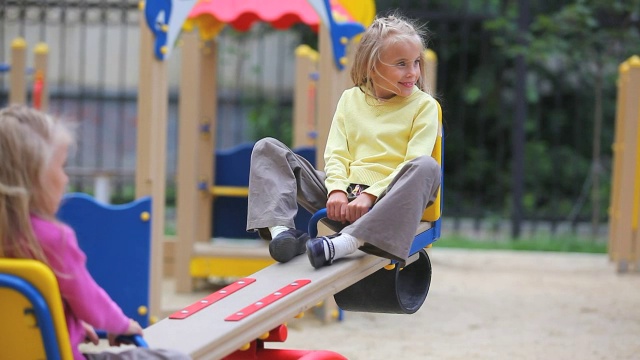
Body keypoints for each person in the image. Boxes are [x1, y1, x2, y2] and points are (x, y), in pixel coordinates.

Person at [247, 14, 441, 269]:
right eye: (402, 64)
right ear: (372, 67)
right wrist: (337, 189)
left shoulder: (423, 106)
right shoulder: (350, 99)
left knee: (427, 166)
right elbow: (337, 153)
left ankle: (346, 242)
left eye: (416, 62)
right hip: (344, 197)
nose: (413, 73)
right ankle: (282, 233)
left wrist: (370, 196)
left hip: (388, 204)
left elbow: (412, 161)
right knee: (267, 148)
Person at [0, 105, 190, 360]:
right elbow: (90, 303)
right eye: (61, 167)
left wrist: (63, 321)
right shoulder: (52, 239)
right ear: (36, 179)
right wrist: (122, 324)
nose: (66, 178)